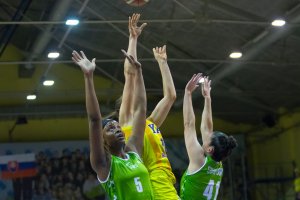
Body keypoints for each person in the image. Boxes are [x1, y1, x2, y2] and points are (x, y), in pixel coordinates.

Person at [72, 50, 153, 199]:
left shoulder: (133, 152)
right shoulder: (104, 164)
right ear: (103, 140)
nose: (117, 129)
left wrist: (139, 73)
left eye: (117, 126)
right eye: (110, 129)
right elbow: (95, 120)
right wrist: (88, 77)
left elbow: (141, 110)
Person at [118, 13, 178, 199]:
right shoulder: (127, 121)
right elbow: (130, 74)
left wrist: (163, 63)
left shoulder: (151, 122)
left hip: (165, 179)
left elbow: (171, 96)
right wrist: (133, 39)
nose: (136, 94)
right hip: (151, 181)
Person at [180, 74, 238, 200]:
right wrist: (207, 98)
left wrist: (187, 93)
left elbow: (188, 125)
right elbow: (207, 127)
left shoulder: (199, 160)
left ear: (209, 149)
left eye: (208, 138)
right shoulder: (217, 162)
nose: (206, 135)